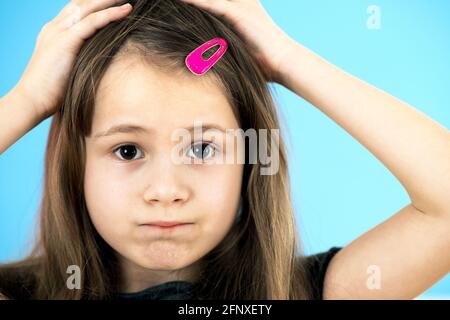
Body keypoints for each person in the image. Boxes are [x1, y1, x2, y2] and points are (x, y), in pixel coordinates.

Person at [0, 0, 449, 300]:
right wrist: (29, 99)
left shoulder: (304, 293)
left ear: (251, 162)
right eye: (128, 151)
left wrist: (285, 57)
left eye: (201, 148)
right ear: (77, 163)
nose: (166, 190)